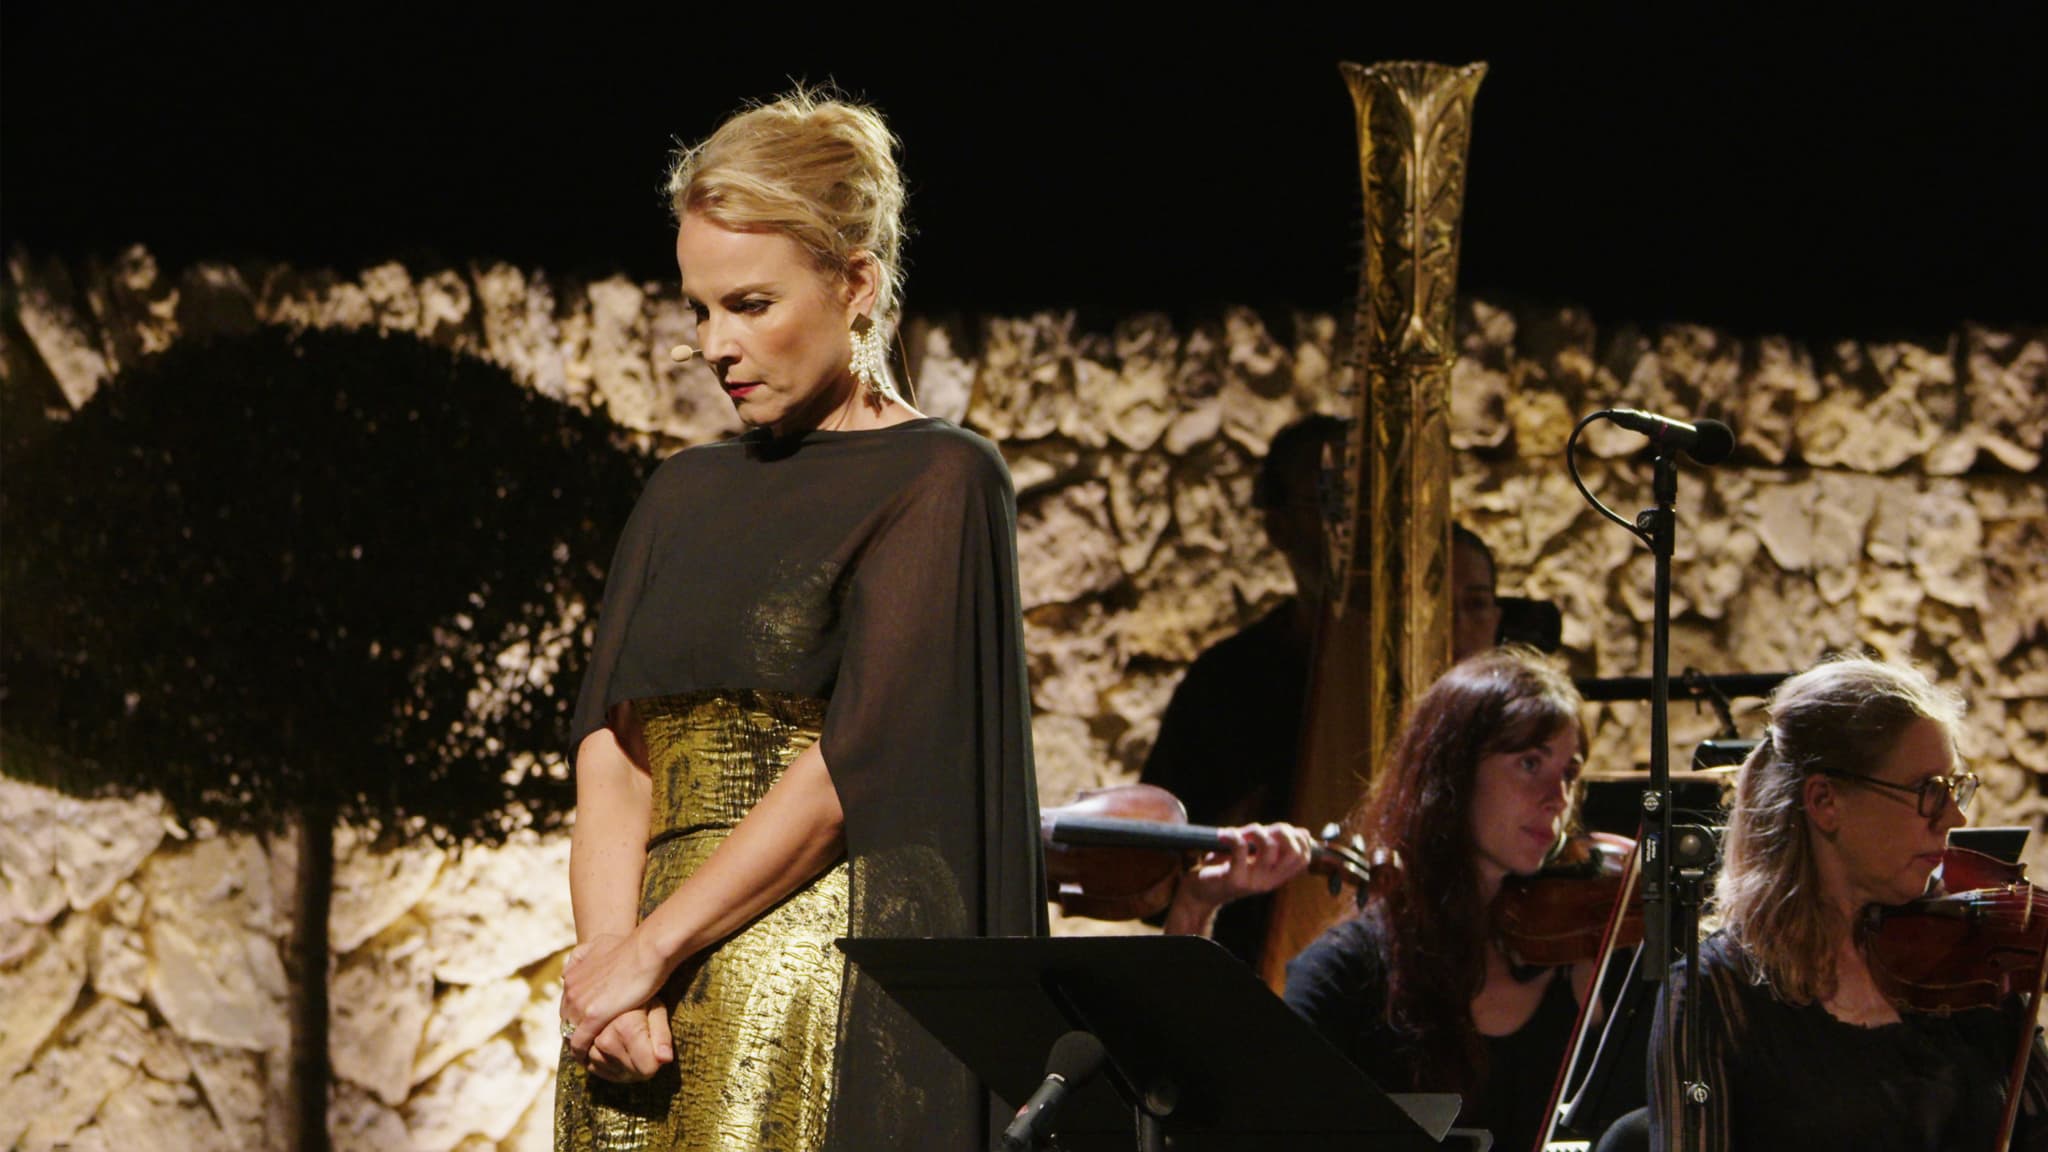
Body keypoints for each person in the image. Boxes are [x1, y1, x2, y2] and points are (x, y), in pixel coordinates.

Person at [553, 89, 1044, 1152]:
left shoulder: (937, 478)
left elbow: (849, 770)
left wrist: (652, 951)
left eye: (751, 304)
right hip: (634, 1017)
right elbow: (613, 748)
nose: (715, 344)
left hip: (800, 990)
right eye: (699, 308)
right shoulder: (679, 493)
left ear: (855, 283)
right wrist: (608, 970)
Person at [1140, 410, 1510, 965]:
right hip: (1260, 973)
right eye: (1330, 505)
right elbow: (1154, 878)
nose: (1353, 530)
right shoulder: (1227, 681)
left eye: (1364, 505)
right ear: (1278, 527)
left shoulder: (1465, 682)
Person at [1648, 655, 2047, 1151]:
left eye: (1955, 788)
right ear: (1825, 802)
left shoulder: (1975, 969)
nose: (1955, 817)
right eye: (1928, 791)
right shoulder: (1715, 996)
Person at [1283, 646, 1598, 1152]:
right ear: (1454, 771)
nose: (1557, 798)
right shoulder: (1346, 971)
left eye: (1568, 774)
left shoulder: (1582, 962)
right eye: (1530, 763)